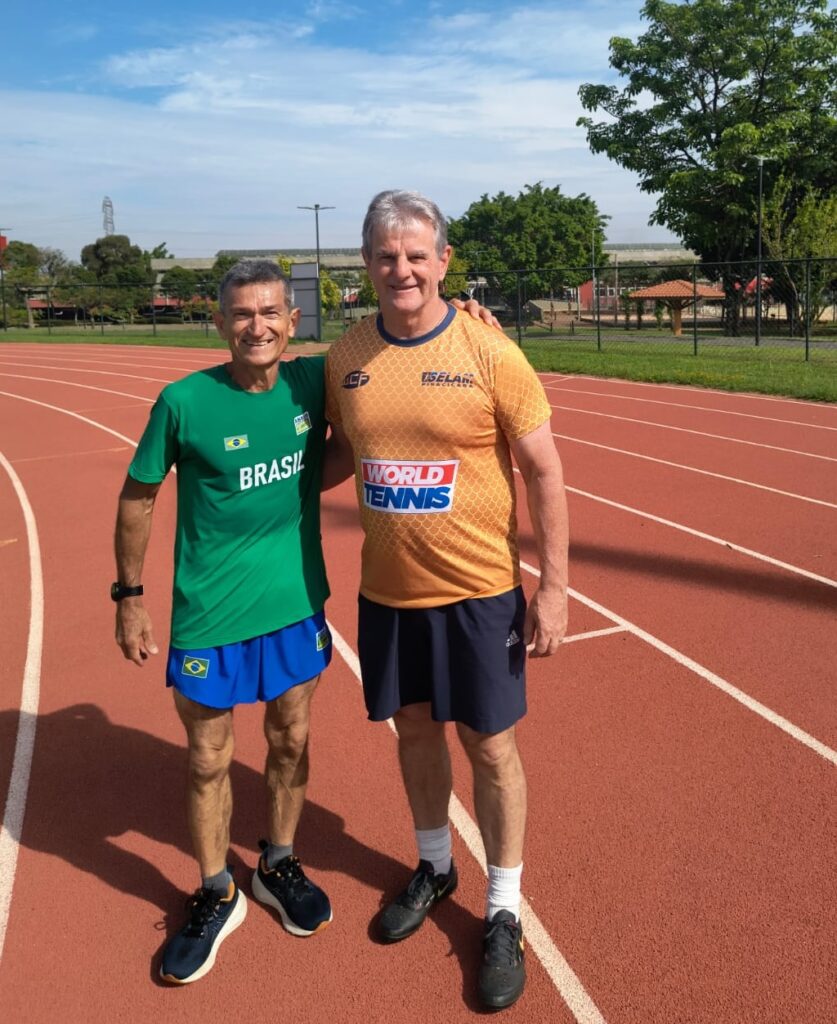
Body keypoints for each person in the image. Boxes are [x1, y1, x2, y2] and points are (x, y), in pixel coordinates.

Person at [114, 258, 494, 985]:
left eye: (270, 314)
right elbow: (138, 497)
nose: (256, 327)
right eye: (241, 314)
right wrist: (128, 594)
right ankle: (215, 890)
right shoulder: (183, 402)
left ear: (292, 324)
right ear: (220, 323)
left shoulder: (311, 379)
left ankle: (277, 863)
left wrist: (467, 315)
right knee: (206, 757)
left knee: (289, 740)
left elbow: (397, 337)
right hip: (209, 616)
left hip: (294, 607)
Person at [324, 190, 569, 1010]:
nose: (401, 269)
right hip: (389, 594)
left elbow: (542, 470)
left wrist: (554, 589)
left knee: (490, 748)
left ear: (443, 262)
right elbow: (331, 453)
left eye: (416, 255)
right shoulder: (346, 355)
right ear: (366, 264)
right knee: (416, 734)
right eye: (386, 256)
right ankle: (434, 865)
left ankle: (503, 907)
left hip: (477, 593)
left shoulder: (489, 351)